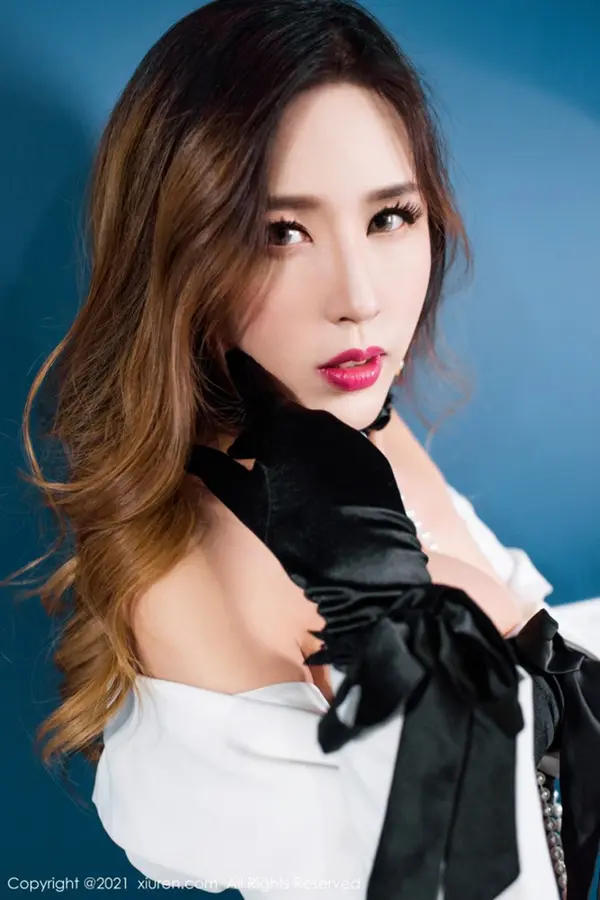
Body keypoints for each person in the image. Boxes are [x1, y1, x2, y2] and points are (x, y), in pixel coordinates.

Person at [9, 1, 600, 898]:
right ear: (180, 251)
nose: (358, 297)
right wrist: (474, 613)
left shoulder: (343, 427)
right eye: (281, 231)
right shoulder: (277, 555)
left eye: (389, 217)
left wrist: (494, 613)